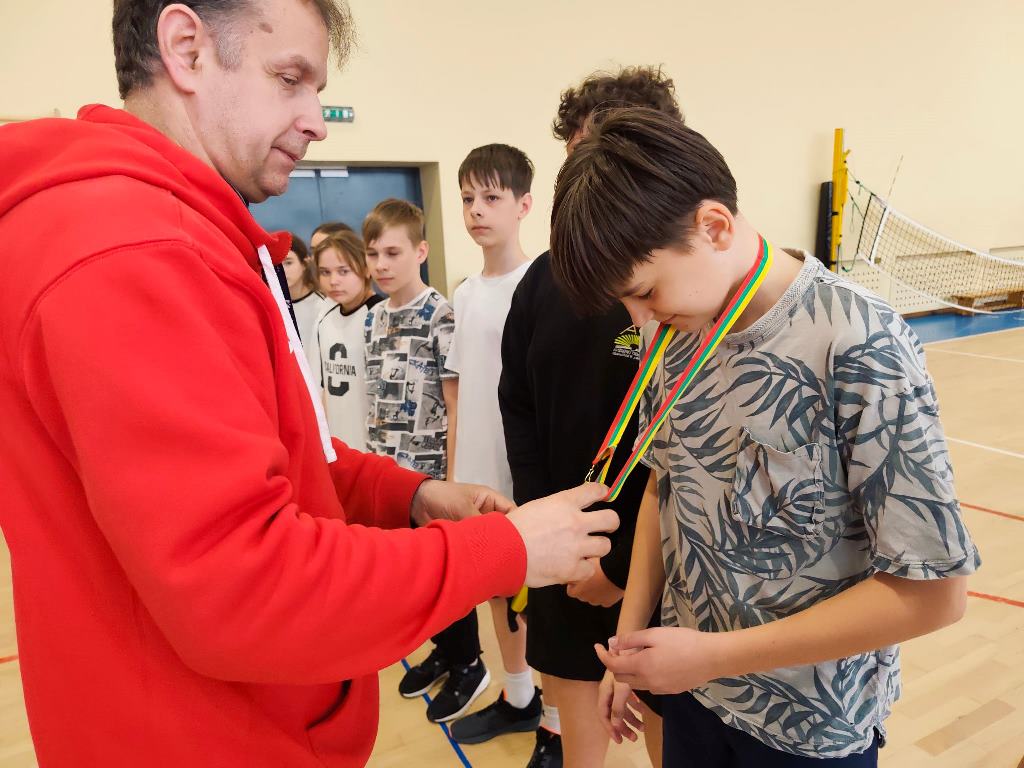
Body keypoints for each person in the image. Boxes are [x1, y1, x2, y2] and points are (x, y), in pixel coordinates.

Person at [0, 1, 620, 766]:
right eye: (289, 79)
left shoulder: (181, 233)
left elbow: (281, 452)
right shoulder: (133, 253)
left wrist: (409, 496)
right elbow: (245, 585)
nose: (317, 122)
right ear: (186, 48)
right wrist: (505, 549)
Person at [549, 107, 980, 767]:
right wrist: (629, 643)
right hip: (692, 694)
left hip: (810, 726)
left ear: (714, 226)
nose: (638, 319)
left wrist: (714, 656)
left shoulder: (857, 339)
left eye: (646, 291)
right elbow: (666, 486)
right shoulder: (676, 333)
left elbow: (934, 594)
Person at [492, 65, 681, 768]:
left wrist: (622, 568)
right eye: (576, 159)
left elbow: (677, 460)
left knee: (669, 739)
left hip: (656, 569)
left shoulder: (682, 295)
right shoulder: (540, 283)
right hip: (562, 557)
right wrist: (551, 533)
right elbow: (518, 408)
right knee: (581, 747)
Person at [361, 197, 489, 723]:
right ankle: (443, 650)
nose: (381, 265)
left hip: (431, 473)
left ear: (420, 251)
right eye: (373, 254)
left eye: (392, 253)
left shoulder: (442, 315)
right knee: (413, 579)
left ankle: (470, 664)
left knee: (444, 577)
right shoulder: (373, 318)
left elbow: (455, 404)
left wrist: (452, 479)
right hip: (392, 474)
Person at [443, 144, 545, 752]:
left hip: (522, 469)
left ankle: (554, 715)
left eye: (490, 197)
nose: (476, 210)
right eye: (467, 199)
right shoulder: (464, 293)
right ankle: (518, 695)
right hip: (476, 468)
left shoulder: (539, 287)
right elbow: (459, 393)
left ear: (523, 205)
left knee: (536, 596)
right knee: (494, 588)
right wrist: (454, 473)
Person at [309, 230, 380, 449]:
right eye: (325, 272)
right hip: (339, 444)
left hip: (374, 446)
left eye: (343, 271)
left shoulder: (380, 316)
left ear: (366, 269)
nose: (333, 281)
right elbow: (324, 389)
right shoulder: (325, 320)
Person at [283, 231, 330, 347]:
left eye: (288, 263)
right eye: (276, 265)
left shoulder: (322, 305)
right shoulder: (272, 305)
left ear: (304, 264)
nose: (282, 271)